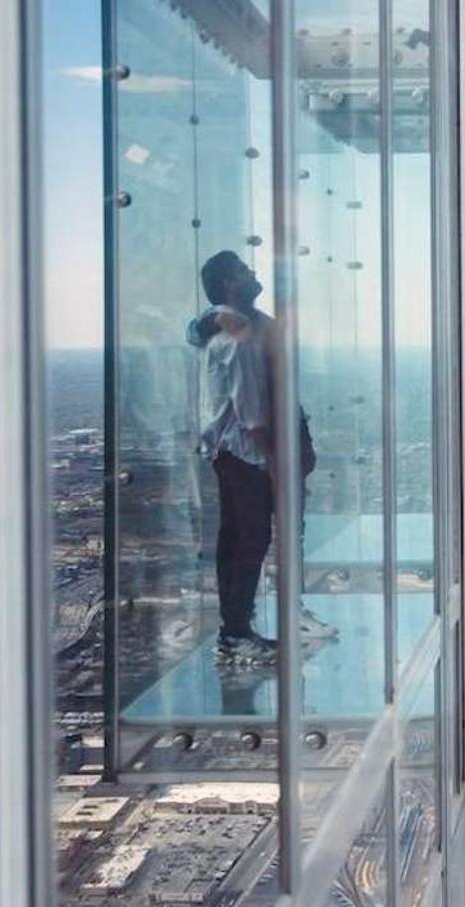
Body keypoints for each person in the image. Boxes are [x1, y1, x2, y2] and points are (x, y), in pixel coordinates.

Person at [185, 251, 334, 665]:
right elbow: (250, 412)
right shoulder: (237, 335)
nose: (253, 275)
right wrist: (275, 459)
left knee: (247, 537)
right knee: (249, 539)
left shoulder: (244, 325)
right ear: (229, 284)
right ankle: (236, 633)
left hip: (250, 449)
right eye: (243, 272)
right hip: (248, 452)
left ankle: (244, 626)